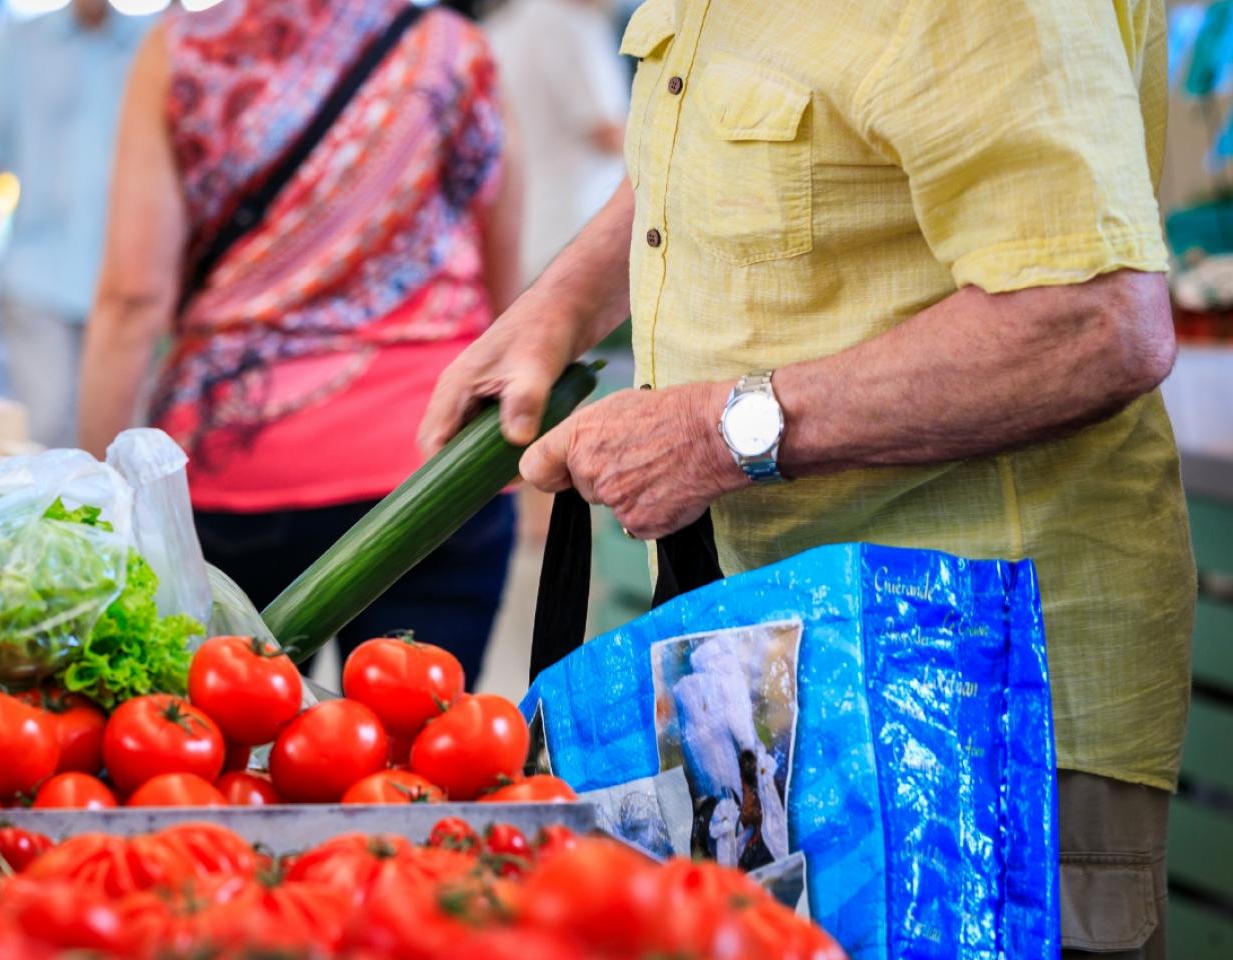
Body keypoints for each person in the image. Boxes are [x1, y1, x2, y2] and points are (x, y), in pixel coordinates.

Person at [420, 1, 1191, 955]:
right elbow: (703, 149)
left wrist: (718, 434)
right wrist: (559, 308)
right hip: (768, 671)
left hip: (975, 703)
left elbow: (1095, 322)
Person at [77, 0, 524, 685]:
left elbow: (133, 296)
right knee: (419, 757)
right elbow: (504, 281)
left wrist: (94, 499)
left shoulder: (185, 51)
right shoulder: (454, 49)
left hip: (240, 467)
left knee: (227, 753)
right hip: (436, 463)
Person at [0, 0, 150, 449]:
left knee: (127, 435)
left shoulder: (150, 42)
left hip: (128, 279)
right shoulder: (19, 43)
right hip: (38, 277)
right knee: (43, 427)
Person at [485, 0, 628, 283]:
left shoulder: (502, 25)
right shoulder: (569, 25)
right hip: (579, 230)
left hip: (533, 233)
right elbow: (607, 134)